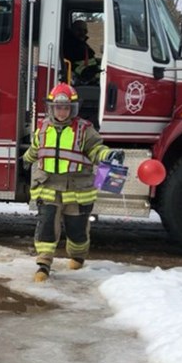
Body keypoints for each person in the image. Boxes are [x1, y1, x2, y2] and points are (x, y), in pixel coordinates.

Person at [22, 83, 123, 282]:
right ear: (51, 107)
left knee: (77, 230)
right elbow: (36, 149)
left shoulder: (84, 129)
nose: (62, 111)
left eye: (66, 107)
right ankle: (43, 264)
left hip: (77, 190)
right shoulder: (42, 128)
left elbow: (96, 150)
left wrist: (108, 155)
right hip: (49, 186)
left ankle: (77, 256)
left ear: (73, 108)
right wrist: (25, 159)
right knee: (46, 225)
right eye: (58, 107)